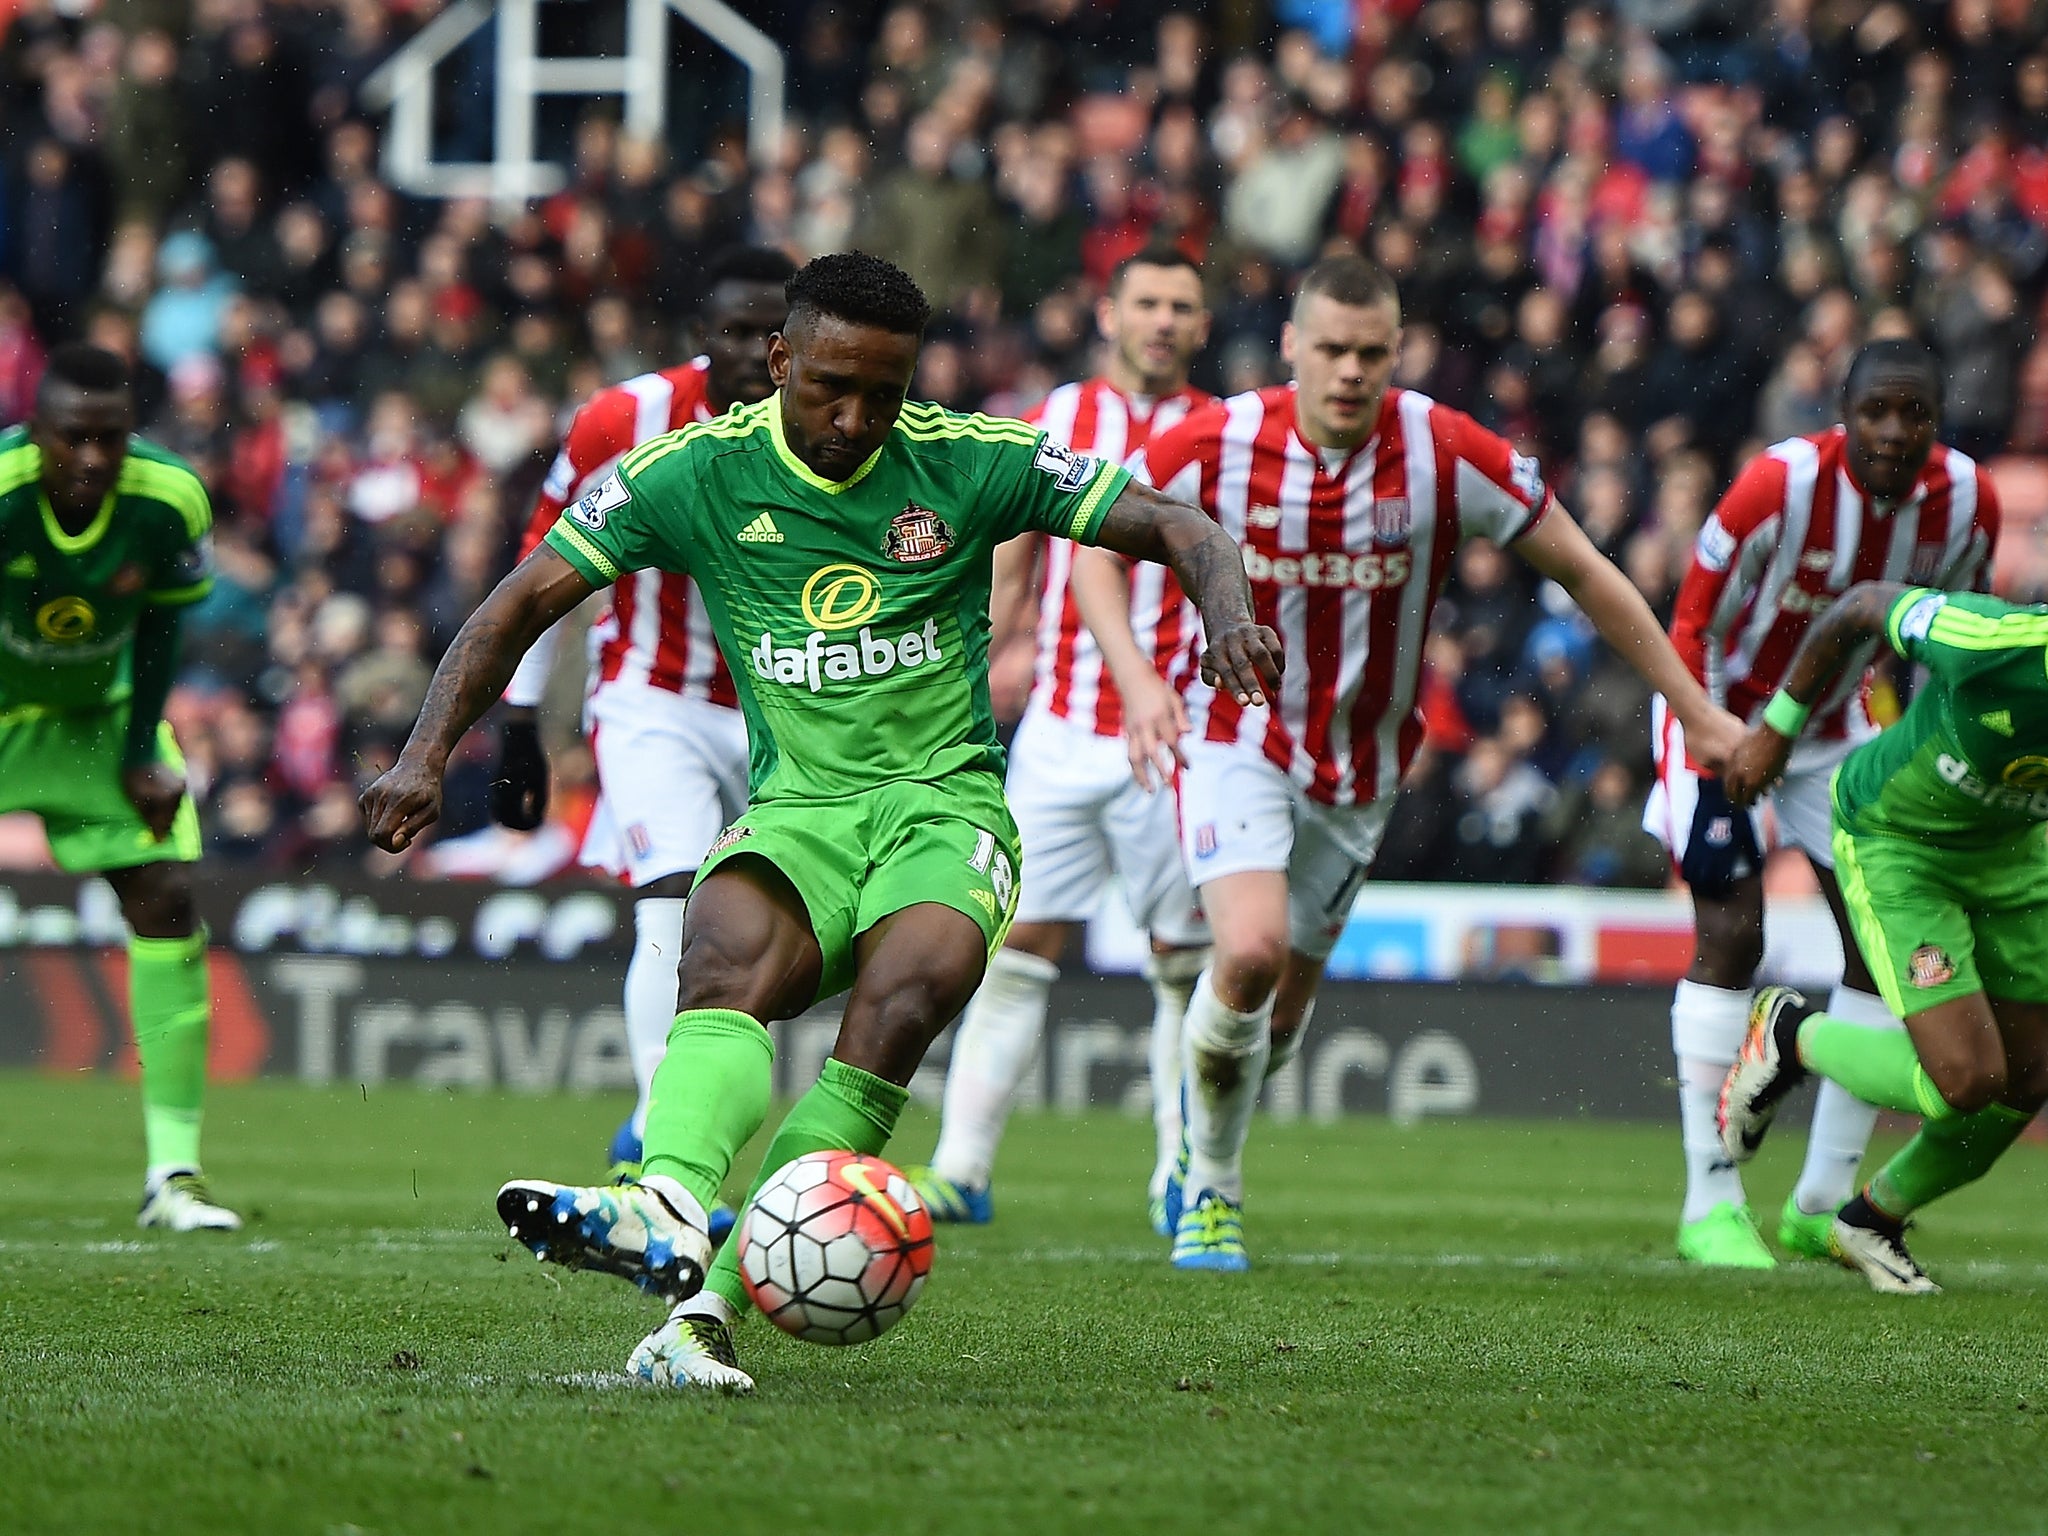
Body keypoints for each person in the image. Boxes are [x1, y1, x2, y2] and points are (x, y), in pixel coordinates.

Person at [358, 253, 1282, 1392]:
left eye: (882, 393)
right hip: (796, 809)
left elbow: (1176, 523)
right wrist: (423, 756)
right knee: (720, 957)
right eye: (828, 387)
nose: (855, 419)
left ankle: (708, 1303)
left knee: (906, 994)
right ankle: (669, 1212)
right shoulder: (692, 472)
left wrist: (1227, 613)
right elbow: (519, 601)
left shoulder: (967, 460)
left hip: (945, 808)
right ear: (778, 361)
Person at [1071, 254, 1745, 1270]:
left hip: (1362, 766)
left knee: (1284, 1013)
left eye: (1368, 353)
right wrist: (1135, 677)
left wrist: (1690, 710)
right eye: (1329, 349)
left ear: (1396, 352)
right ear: (1291, 346)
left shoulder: (1444, 451)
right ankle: (1209, 1184)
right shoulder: (1216, 438)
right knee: (1244, 957)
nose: (1347, 371)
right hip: (1230, 735)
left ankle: (1203, 1142)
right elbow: (1093, 548)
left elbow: (1583, 571)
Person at [1644, 339, 2000, 1269]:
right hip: (1716, 701)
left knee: (1881, 945)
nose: (1892, 432)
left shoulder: (1968, 504)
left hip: (1840, 730)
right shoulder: (1776, 488)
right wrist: (1719, 736)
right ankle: (1708, 1200)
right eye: (1874, 412)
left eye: (1911, 414)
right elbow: (1691, 624)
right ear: (1843, 413)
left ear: (1935, 421)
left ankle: (1817, 1201)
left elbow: (1952, 651)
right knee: (1733, 918)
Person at [908, 245, 1216, 1231]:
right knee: (1011, 943)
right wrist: (981, 662)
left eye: (1180, 306)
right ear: (1109, 311)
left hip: (1173, 739)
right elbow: (1010, 557)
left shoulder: (1218, 431)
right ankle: (959, 1167)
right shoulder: (1058, 418)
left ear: (1199, 325)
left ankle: (1181, 1174)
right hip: (1058, 731)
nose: (1162, 320)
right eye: (1147, 302)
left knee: (1183, 960)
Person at [491, 246, 796, 1189]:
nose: (754, 351)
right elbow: (545, 560)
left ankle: (661, 1117)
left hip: (783, 714)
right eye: (735, 332)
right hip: (650, 698)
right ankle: (675, 1164)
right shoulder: (626, 419)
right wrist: (520, 715)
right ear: (704, 336)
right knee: (673, 906)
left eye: (772, 332)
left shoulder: (838, 421)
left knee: (769, 947)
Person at [1719, 582, 2048, 1293]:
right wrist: (1778, 725)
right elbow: (1863, 603)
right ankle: (1792, 1034)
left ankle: (1870, 1219)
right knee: (1966, 1079)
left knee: (2030, 1075)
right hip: (1900, 841)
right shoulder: (1991, 641)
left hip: (2016, 856)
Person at [0, 343, 237, 1230]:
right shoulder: (2, 488)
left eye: (110, 439)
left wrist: (144, 747)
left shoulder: (169, 499)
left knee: (167, 894)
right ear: (38, 433)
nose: (93, 459)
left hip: (102, 719)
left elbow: (163, 632)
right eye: (74, 439)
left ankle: (172, 1176)